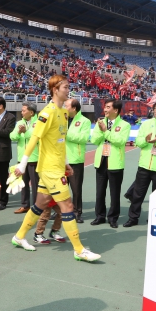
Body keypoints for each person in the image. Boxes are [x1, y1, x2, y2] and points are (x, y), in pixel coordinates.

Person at [11, 74, 101, 262]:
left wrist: (66, 163)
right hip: (49, 169)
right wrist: (23, 163)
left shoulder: (63, 112)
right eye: (65, 87)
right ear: (55, 89)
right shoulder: (47, 113)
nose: (69, 90)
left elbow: (60, 142)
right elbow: (34, 138)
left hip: (58, 167)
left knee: (40, 204)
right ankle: (79, 250)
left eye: (69, 87)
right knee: (67, 205)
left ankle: (19, 237)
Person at [90, 99, 131, 228]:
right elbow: (94, 140)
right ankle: (100, 216)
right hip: (101, 161)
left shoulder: (124, 125)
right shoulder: (100, 123)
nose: (105, 110)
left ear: (116, 110)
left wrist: (106, 131)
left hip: (115, 163)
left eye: (108, 107)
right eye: (105, 107)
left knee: (115, 192)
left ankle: (113, 218)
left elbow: (120, 141)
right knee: (100, 192)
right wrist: (102, 131)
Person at [9, 102, 39, 215]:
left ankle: (36, 206)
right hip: (22, 158)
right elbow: (12, 136)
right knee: (23, 183)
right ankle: (25, 205)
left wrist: (25, 132)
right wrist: (18, 132)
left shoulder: (39, 122)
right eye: (21, 110)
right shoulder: (20, 123)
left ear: (31, 112)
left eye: (24, 110)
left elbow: (37, 136)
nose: (22, 112)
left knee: (36, 184)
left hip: (34, 158)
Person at [64, 98, 91, 223]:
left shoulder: (85, 121)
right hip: (61, 159)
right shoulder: (62, 119)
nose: (64, 107)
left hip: (75, 159)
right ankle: (61, 211)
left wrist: (66, 134)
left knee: (76, 188)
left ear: (74, 108)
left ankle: (76, 212)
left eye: (67, 105)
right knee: (61, 188)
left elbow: (84, 138)